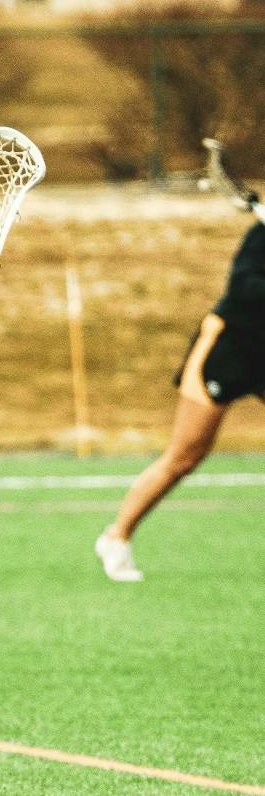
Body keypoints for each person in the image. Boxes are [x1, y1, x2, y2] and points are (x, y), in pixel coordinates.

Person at [95, 215, 265, 580]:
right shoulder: (260, 235)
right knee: (185, 457)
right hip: (227, 352)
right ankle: (117, 536)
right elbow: (243, 287)